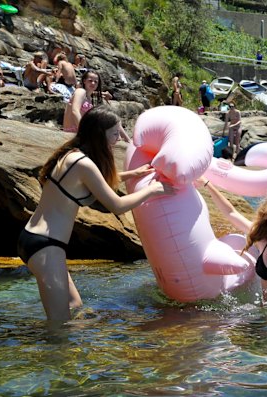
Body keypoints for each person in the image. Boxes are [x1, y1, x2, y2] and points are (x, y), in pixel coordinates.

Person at [17, 106, 175, 324]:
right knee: (60, 326)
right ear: (100, 134)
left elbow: (94, 181)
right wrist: (152, 190)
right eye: (114, 134)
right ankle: (51, 357)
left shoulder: (73, 155)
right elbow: (117, 205)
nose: (117, 139)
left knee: (74, 307)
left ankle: (74, 353)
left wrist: (134, 173)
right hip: (46, 246)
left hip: (37, 239)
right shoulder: (84, 163)